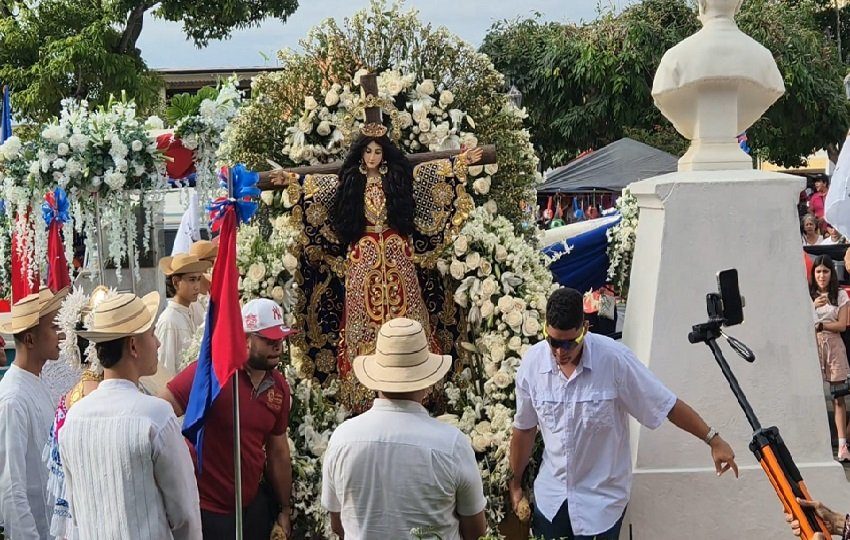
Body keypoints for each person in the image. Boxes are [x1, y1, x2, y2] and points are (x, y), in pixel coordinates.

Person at [270, 110, 484, 408]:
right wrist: (291, 179)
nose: (372, 157)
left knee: (408, 311)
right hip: (363, 255)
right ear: (361, 153)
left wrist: (460, 162)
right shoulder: (350, 181)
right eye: (368, 151)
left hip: (397, 253)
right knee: (362, 316)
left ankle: (416, 377)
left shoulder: (396, 178)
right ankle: (362, 389)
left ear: (385, 154)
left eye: (377, 151)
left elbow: (429, 173)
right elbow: (318, 185)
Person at [508, 288, 738, 540]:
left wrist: (713, 440)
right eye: (553, 342)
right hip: (551, 501)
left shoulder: (615, 360)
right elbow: (525, 428)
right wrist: (515, 482)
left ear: (585, 328)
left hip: (600, 506)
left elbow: (666, 404)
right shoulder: (533, 364)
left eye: (568, 343)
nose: (560, 352)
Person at [321, 318, 487, 540]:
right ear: (427, 381)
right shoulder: (452, 444)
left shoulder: (342, 439)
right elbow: (475, 531)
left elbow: (338, 524)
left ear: (376, 378)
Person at [59, 291, 201, 539]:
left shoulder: (74, 418)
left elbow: (77, 512)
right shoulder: (155, 416)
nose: (158, 343)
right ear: (134, 346)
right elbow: (185, 513)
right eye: (152, 334)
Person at [162, 298, 295, 540]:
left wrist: (284, 508)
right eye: (269, 340)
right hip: (206, 510)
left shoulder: (279, 388)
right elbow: (160, 413)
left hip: (251, 508)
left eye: (280, 339)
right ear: (245, 339)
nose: (277, 347)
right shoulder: (211, 372)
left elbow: (278, 453)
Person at [0, 287, 67, 539]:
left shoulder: (36, 382)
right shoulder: (13, 398)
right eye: (53, 327)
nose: (60, 334)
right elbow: (11, 488)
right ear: (30, 340)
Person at [810, 255, 850, 461]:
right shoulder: (808, 295)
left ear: (831, 273)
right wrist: (813, 307)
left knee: (838, 396)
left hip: (834, 345)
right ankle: (815, 443)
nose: (822, 276)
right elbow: (800, 321)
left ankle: (842, 445)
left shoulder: (840, 294)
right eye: (818, 271)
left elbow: (842, 325)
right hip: (813, 345)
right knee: (812, 394)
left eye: (825, 271)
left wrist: (821, 325)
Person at [156, 252, 212, 373]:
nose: (197, 286)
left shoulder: (190, 311)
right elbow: (165, 370)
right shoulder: (169, 321)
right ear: (176, 282)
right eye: (192, 280)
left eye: (198, 279)